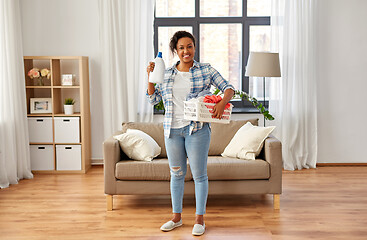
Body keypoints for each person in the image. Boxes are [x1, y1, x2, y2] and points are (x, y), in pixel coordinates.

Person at [146, 31, 235, 236]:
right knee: (176, 175)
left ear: (194, 47)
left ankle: (199, 220)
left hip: (197, 130)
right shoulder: (167, 73)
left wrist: (222, 103)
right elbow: (152, 99)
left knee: (199, 176)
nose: (186, 51)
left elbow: (229, 88)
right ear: (175, 51)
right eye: (181, 48)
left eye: (189, 46)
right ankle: (176, 218)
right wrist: (150, 77)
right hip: (173, 130)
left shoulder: (205, 69)